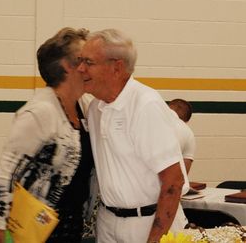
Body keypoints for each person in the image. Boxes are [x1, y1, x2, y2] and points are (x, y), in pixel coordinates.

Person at [77, 29, 189, 243]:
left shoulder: (146, 105)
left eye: (89, 62)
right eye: (80, 61)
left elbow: (173, 181)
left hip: (148, 224)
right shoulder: (94, 108)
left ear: (116, 67)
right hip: (107, 222)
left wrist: (155, 238)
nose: (80, 69)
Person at [0, 27, 96, 243]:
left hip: (72, 226)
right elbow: (6, 174)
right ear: (67, 66)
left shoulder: (84, 106)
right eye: (83, 60)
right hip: (36, 230)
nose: (88, 67)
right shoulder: (40, 111)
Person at [168, 99, 196, 174]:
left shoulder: (149, 120)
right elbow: (183, 174)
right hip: (165, 182)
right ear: (186, 121)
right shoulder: (188, 132)